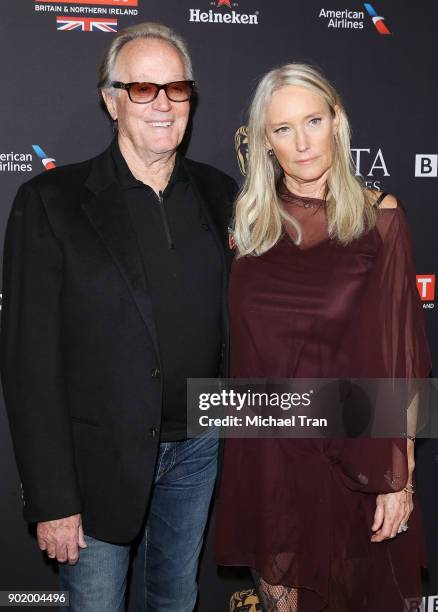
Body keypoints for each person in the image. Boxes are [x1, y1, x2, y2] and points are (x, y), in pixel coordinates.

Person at [1, 22, 237, 612]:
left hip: (199, 450)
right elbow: (28, 364)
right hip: (97, 466)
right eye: (142, 89)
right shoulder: (50, 203)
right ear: (111, 101)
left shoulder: (220, 192)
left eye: (176, 88)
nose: (162, 103)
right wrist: (52, 499)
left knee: (176, 600)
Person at [214, 63, 431, 611]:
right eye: (283, 128)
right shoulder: (247, 224)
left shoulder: (381, 219)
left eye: (313, 120)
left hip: (349, 454)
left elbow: (402, 355)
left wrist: (399, 476)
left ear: (337, 121)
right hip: (265, 454)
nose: (302, 142)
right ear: (265, 139)